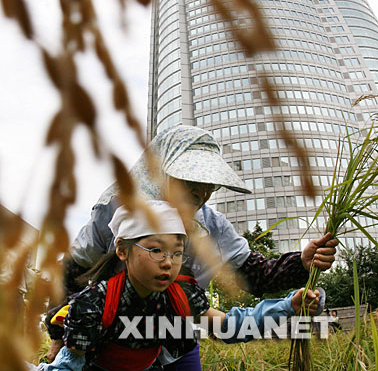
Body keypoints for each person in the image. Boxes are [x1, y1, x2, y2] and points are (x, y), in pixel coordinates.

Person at [45, 125, 337, 367]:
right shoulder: (115, 213)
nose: (203, 193)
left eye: (209, 184)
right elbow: (73, 271)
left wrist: (301, 264)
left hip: (177, 341)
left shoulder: (208, 238)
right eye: (191, 181)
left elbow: (252, 277)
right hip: (111, 344)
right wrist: (62, 334)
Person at [36, 201, 323, 371]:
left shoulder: (183, 294)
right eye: (156, 250)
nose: (168, 263)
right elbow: (68, 366)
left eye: (177, 252)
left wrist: (288, 306)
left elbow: (230, 327)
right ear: (123, 250)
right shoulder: (93, 304)